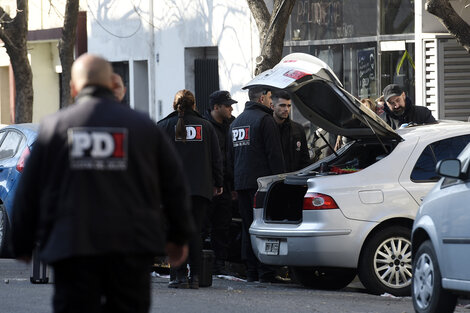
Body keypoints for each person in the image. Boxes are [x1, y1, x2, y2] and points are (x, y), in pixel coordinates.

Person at [10, 53, 194, 313]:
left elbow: (28, 191)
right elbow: (174, 186)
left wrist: (22, 242)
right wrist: (178, 237)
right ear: (112, 85)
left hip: (72, 248)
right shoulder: (142, 127)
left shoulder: (55, 128)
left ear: (74, 88)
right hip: (131, 248)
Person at [158, 89, 223, 289]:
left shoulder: (163, 127)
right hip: (200, 188)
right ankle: (195, 276)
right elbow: (216, 158)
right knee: (195, 232)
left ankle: (178, 276)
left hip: (171, 190)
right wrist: (218, 183)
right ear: (194, 105)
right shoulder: (206, 126)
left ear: (174, 105)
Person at [229, 86, 285, 282]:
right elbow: (274, 154)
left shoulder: (236, 123)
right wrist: (280, 181)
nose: (272, 102)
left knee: (247, 226)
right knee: (263, 226)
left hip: (241, 183)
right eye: (270, 98)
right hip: (262, 184)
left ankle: (251, 270)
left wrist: (233, 184)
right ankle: (265, 271)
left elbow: (231, 157)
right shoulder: (265, 120)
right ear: (262, 98)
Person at [203, 90, 237, 275]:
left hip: (225, 185)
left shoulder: (231, 124)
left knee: (222, 227)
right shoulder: (204, 126)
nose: (231, 108)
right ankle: (201, 264)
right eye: (227, 105)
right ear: (216, 107)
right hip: (208, 186)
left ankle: (219, 264)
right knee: (203, 226)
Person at [271, 90, 310, 171]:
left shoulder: (298, 129)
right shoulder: (266, 128)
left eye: (289, 106)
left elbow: (305, 159)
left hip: (293, 179)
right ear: (272, 106)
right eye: (282, 105)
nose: (286, 109)